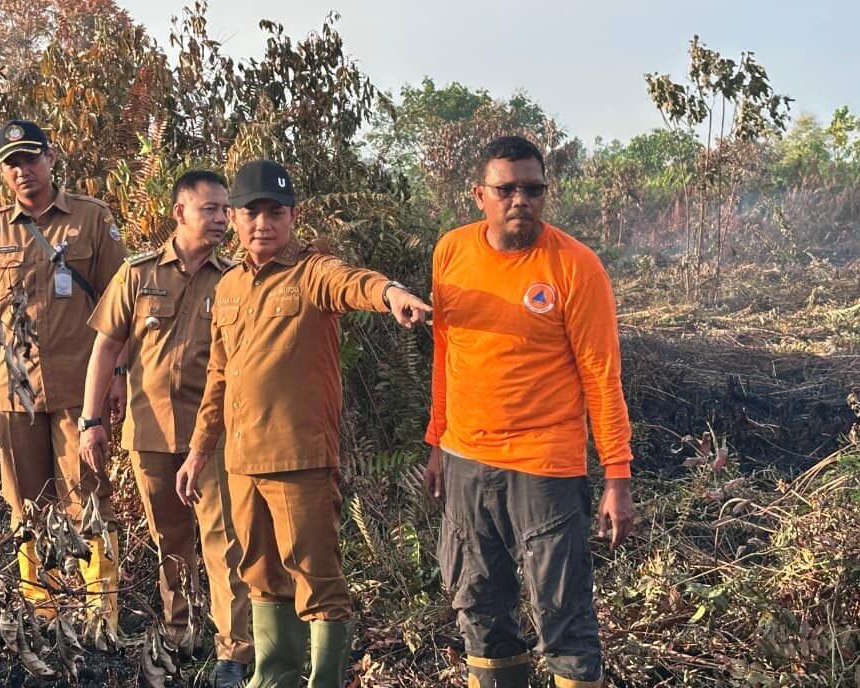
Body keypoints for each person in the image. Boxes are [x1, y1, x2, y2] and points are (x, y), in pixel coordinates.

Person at [175, 159, 432, 688]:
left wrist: (392, 295)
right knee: (262, 579)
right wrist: (200, 449)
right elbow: (219, 377)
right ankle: (275, 678)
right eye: (251, 213)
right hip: (241, 464)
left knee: (317, 583)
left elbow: (353, 283)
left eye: (275, 212)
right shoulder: (227, 288)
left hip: (299, 461)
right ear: (236, 218)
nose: (262, 224)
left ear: (293, 217)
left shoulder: (312, 272)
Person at [423, 135, 635, 688]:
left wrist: (617, 475)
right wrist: (436, 440)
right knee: (480, 607)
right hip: (466, 458)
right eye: (506, 188)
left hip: (546, 465)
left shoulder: (576, 267)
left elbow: (602, 376)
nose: (521, 199)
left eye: (533, 189)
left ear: (546, 192)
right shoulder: (451, 252)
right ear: (479, 195)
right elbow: (447, 352)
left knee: (562, 613)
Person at [80, 170, 253, 687]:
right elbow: (106, 348)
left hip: (216, 435)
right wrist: (91, 422)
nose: (222, 219)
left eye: (226, 209)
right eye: (211, 209)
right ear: (179, 212)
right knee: (170, 542)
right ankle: (181, 633)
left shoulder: (235, 278)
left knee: (224, 543)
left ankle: (232, 653)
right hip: (150, 434)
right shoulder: (137, 275)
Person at [0, 119, 127, 631]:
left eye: (31, 158)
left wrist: (119, 372)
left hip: (82, 394)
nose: (23, 170)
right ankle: (45, 617)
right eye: (12, 163)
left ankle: (103, 617)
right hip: (14, 395)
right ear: (2, 172)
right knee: (26, 509)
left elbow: (120, 305)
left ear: (51, 158)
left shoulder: (91, 220)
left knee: (89, 503)